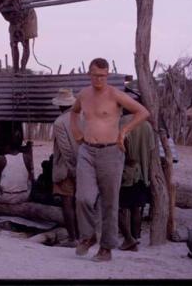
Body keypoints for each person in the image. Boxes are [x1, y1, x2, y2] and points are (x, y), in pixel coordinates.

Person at [70, 57, 149, 262]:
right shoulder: (84, 94)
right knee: (83, 198)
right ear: (89, 74)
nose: (99, 79)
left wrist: (124, 131)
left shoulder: (115, 94)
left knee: (109, 202)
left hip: (111, 152)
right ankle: (88, 237)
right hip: (87, 150)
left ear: (108, 75)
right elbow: (74, 112)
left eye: (103, 76)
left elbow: (142, 112)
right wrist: (77, 133)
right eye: (96, 75)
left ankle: (106, 249)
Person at [118, 113, 155, 251]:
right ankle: (136, 236)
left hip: (127, 172)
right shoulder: (147, 125)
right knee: (137, 208)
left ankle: (128, 239)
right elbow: (151, 149)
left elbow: (121, 146)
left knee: (120, 207)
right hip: (143, 174)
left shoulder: (123, 123)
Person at [52, 88, 81, 248]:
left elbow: (66, 150)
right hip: (84, 166)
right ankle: (84, 236)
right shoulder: (82, 117)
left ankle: (72, 238)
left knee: (67, 203)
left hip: (67, 168)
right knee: (80, 202)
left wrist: (73, 169)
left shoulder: (59, 122)